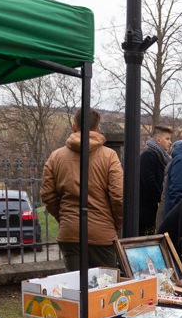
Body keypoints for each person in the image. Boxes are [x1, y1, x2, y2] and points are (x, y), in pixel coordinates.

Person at [41, 108, 123, 271]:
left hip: (70, 233)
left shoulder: (56, 157)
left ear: (74, 127)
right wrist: (115, 224)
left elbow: (47, 196)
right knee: (104, 291)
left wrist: (64, 218)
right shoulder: (110, 156)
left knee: (75, 289)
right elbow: (118, 196)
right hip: (102, 234)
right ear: (98, 129)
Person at [139, 125, 172, 235]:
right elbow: (149, 182)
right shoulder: (149, 155)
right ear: (158, 140)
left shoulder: (159, 155)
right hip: (145, 210)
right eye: (167, 139)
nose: (170, 142)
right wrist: (160, 197)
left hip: (151, 208)